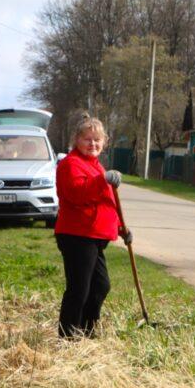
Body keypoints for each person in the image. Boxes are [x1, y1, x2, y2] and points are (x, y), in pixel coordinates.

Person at [53, 115, 130, 338]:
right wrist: (102, 180)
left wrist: (121, 228)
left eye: (97, 140)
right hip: (77, 235)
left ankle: (86, 331)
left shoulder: (95, 166)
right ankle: (68, 338)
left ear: (104, 142)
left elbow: (106, 204)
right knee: (79, 290)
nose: (92, 144)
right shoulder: (70, 164)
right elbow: (77, 193)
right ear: (77, 140)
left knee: (100, 287)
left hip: (93, 237)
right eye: (87, 139)